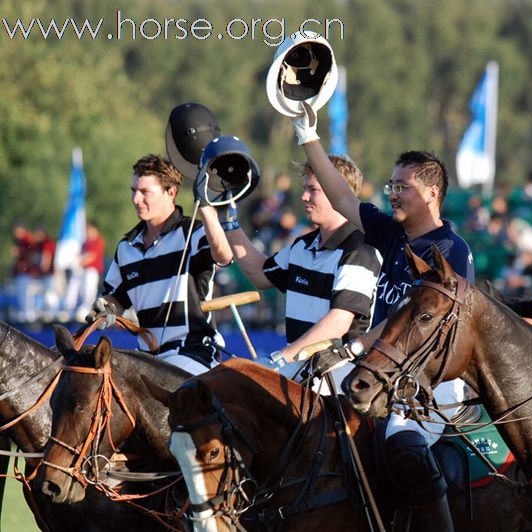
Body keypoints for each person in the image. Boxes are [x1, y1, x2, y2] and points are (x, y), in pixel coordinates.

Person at [292, 103, 474, 532]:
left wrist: (351, 345)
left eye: (402, 186)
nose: (391, 193)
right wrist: (308, 136)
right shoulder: (392, 232)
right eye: (390, 185)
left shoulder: (450, 251)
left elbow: (411, 325)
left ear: (431, 192)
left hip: (431, 380)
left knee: (400, 443)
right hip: (379, 367)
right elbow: (341, 196)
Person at [199, 155, 381, 392]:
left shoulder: (360, 250)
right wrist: (229, 222)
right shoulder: (302, 246)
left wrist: (282, 358)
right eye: (305, 189)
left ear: (339, 192)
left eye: (313, 189)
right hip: (299, 370)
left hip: (340, 376)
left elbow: (338, 323)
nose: (304, 197)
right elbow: (260, 274)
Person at [86, 154, 233, 376]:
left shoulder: (191, 232)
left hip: (194, 354)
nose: (136, 199)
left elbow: (224, 256)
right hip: (146, 358)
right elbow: (115, 299)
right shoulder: (126, 248)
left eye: (145, 192)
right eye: (133, 190)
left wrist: (205, 206)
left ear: (170, 192)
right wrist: (104, 307)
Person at [77, 222, 106, 320]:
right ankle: (81, 309)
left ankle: (88, 310)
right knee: (82, 290)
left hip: (92, 271)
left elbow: (91, 256)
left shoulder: (97, 240)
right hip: (84, 270)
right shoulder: (86, 242)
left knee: (89, 291)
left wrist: (79, 263)